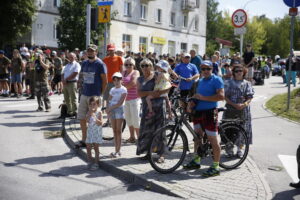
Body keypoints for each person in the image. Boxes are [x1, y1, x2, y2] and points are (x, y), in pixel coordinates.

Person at [184, 60, 225, 177]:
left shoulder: (216, 79)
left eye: (208, 69)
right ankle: (196, 160)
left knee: (213, 140)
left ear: (212, 69)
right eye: (203, 69)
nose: (206, 71)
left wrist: (203, 98)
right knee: (197, 138)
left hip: (210, 112)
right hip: (198, 112)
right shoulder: (200, 81)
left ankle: (216, 166)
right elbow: (198, 97)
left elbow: (221, 96)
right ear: (200, 70)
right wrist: (191, 102)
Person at [136, 59, 169, 161]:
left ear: (151, 66)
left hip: (159, 105)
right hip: (147, 107)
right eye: (143, 66)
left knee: (160, 129)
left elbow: (167, 87)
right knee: (147, 130)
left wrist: (158, 94)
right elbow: (139, 94)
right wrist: (151, 93)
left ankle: (161, 154)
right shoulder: (140, 79)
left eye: (147, 65)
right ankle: (148, 153)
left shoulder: (157, 75)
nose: (145, 68)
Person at [77, 44, 107, 148]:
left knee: (94, 119)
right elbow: (82, 76)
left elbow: (105, 81)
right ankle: (85, 139)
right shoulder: (84, 63)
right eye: (88, 51)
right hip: (84, 94)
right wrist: (79, 84)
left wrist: (100, 94)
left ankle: (94, 141)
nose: (90, 52)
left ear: (96, 52)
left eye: (92, 51)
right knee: (81, 117)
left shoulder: (100, 64)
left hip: (94, 95)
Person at [223, 62, 254, 155]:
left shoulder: (247, 83)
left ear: (244, 72)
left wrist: (244, 104)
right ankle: (229, 149)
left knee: (242, 129)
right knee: (229, 129)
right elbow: (224, 96)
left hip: (243, 110)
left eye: (240, 71)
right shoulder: (228, 82)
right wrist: (233, 104)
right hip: (230, 109)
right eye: (237, 71)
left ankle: (240, 149)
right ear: (234, 72)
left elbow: (250, 97)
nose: (239, 72)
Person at [106, 72, 127, 157]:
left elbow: (120, 103)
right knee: (114, 131)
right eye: (114, 80)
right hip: (112, 110)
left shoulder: (123, 89)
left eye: (118, 79)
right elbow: (109, 100)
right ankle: (116, 150)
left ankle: (118, 151)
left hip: (119, 109)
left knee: (119, 130)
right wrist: (108, 109)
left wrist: (110, 108)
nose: (116, 81)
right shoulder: (112, 89)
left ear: (121, 80)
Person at [122, 57, 140, 143]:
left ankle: (139, 138)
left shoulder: (136, 72)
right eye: (126, 64)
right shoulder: (123, 72)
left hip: (134, 99)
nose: (128, 66)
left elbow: (133, 83)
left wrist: (123, 89)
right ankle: (132, 137)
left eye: (130, 64)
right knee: (128, 119)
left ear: (134, 65)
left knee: (135, 119)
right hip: (125, 99)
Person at [103, 44, 123, 117]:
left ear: (114, 50)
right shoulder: (105, 59)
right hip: (106, 82)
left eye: (112, 50)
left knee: (115, 99)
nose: (111, 51)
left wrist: (120, 80)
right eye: (109, 50)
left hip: (115, 82)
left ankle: (115, 115)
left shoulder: (118, 58)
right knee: (107, 99)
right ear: (107, 50)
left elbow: (121, 70)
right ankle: (109, 118)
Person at [85, 96, 103, 171]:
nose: (92, 106)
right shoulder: (89, 112)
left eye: (94, 104)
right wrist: (89, 115)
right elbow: (87, 121)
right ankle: (89, 161)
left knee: (96, 148)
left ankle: (96, 163)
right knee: (88, 147)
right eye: (91, 104)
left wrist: (95, 117)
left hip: (97, 132)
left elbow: (100, 123)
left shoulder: (99, 112)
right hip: (90, 132)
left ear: (98, 105)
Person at [62, 52, 81, 117]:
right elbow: (63, 73)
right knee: (66, 98)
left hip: (72, 82)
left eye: (72, 57)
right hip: (65, 83)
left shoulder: (76, 64)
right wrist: (63, 81)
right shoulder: (67, 65)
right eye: (69, 57)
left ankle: (75, 112)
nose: (70, 58)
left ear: (75, 57)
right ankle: (69, 112)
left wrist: (66, 79)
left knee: (73, 98)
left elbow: (75, 73)